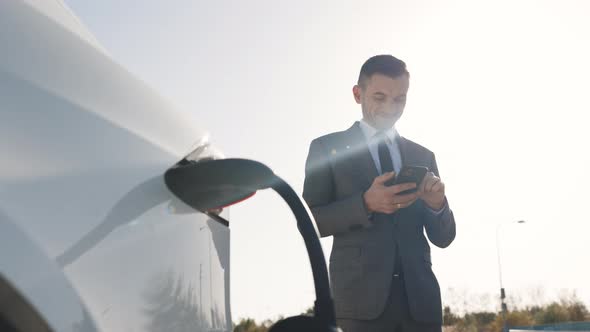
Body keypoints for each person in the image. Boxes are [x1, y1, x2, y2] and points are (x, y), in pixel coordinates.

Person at [302, 54, 456, 332]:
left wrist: (437, 205)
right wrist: (364, 204)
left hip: (421, 308)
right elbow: (311, 221)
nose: (390, 107)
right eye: (380, 97)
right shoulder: (326, 148)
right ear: (357, 94)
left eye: (400, 99)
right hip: (358, 307)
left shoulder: (423, 155)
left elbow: (444, 238)